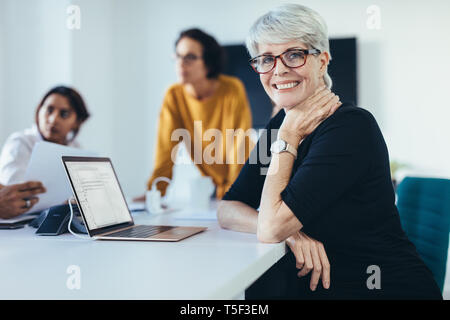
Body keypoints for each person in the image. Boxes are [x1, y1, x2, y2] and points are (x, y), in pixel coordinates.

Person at [217, 4, 442, 299]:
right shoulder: (280, 125)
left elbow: (270, 228)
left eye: (294, 55)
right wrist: (293, 235)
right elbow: (228, 208)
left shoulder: (350, 128)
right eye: (266, 59)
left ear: (322, 61)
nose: (279, 69)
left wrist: (288, 136)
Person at [139, 28, 253, 200]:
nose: (181, 63)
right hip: (217, 186)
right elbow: (165, 150)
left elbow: (238, 147)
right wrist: (154, 194)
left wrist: (233, 196)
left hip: (245, 181)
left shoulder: (232, 89)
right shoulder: (174, 95)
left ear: (209, 63)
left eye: (190, 57)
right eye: (178, 56)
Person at [0, 86, 90, 185]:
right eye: (49, 110)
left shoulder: (76, 147)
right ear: (39, 110)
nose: (53, 120)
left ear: (77, 122)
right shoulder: (20, 143)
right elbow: (13, 191)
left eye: (64, 114)